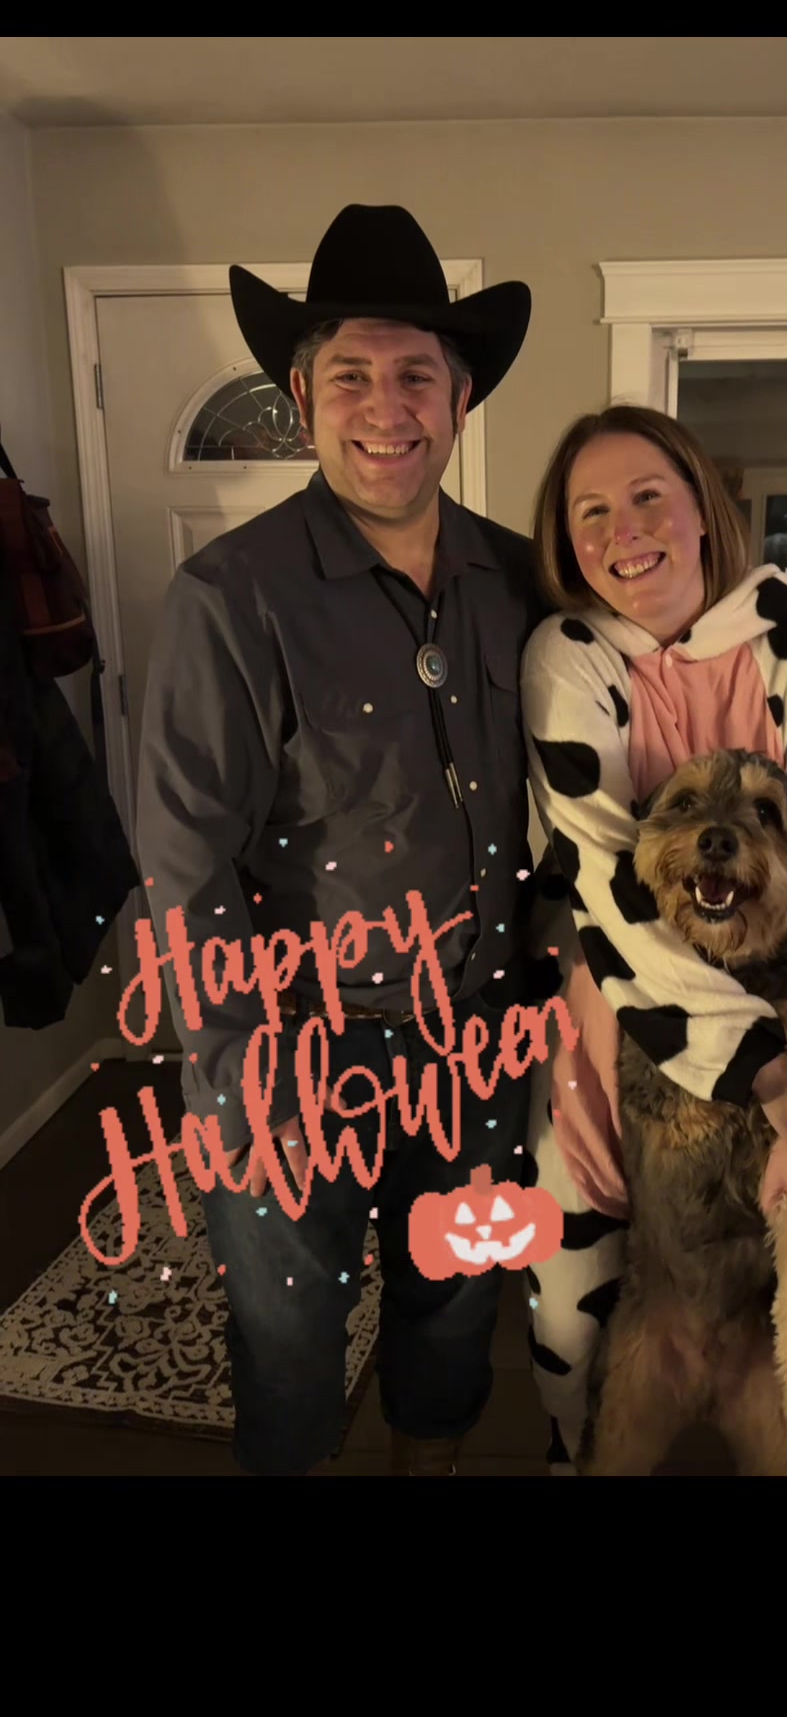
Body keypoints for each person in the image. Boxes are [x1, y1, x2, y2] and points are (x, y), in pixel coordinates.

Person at [136, 204, 548, 1477]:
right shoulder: (230, 597)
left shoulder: (525, 581)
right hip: (296, 1052)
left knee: (459, 1309)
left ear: (461, 399)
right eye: (352, 376)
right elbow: (186, 862)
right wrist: (236, 1080)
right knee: (290, 1343)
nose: (386, 408)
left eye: (416, 374)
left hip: (483, 1043)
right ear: (303, 399)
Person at [520, 405, 787, 1475]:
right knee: (569, 1317)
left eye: (649, 496)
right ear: (568, 542)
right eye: (592, 511)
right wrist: (767, 1083)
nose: (624, 530)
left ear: (703, 509)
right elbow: (607, 885)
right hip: (619, 1010)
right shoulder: (567, 656)